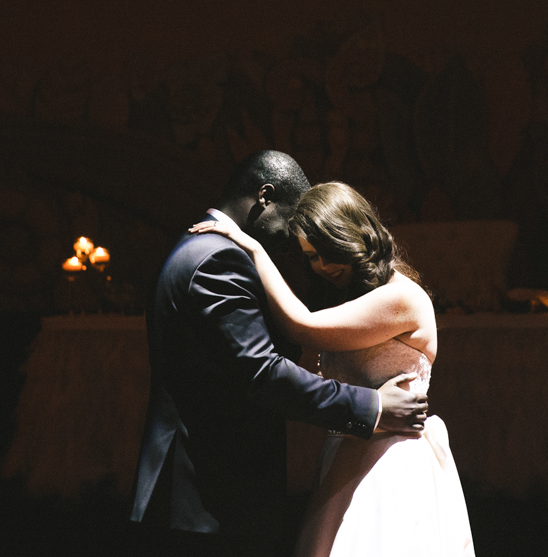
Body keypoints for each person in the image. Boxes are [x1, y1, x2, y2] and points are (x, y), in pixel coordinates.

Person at [130, 152, 429, 557]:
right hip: (207, 490)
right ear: (264, 197)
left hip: (205, 484)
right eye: (293, 229)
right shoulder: (220, 258)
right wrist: (372, 407)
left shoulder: (199, 247)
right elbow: (262, 374)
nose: (292, 244)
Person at [190, 181, 474, 556]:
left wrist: (254, 248)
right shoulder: (352, 298)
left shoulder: (402, 297)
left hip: (393, 465)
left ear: (353, 236)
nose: (321, 266)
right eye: (310, 257)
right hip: (345, 460)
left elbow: (302, 326)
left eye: (327, 252)